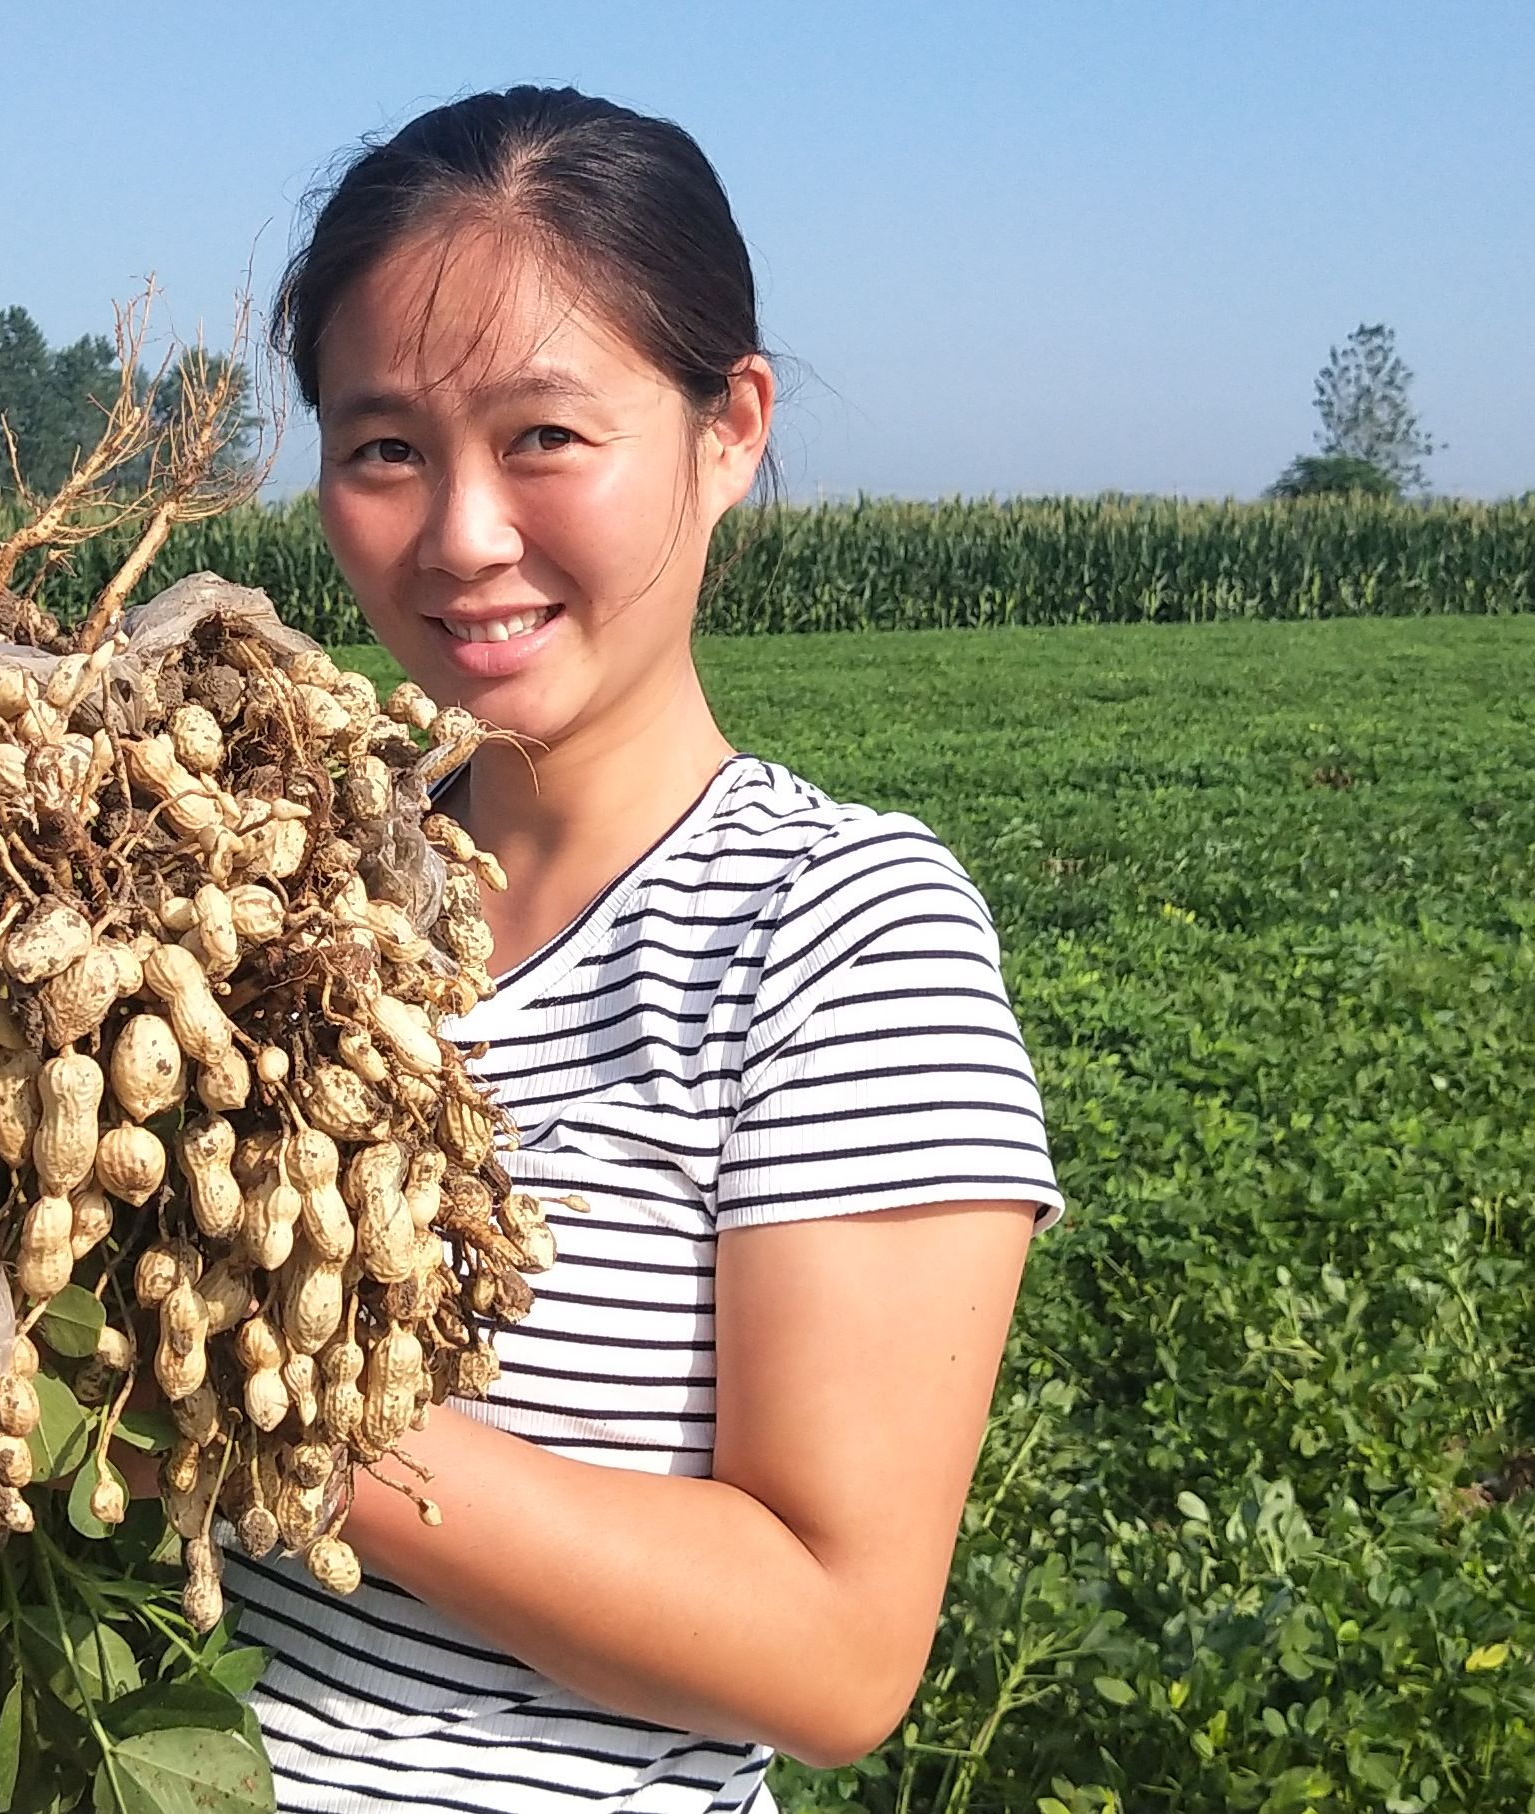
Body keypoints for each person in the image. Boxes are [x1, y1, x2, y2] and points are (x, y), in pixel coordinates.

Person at [222, 87, 1066, 1812]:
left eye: (544, 437)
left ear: (728, 425)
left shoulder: (834, 933)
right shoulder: (258, 881)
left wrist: (251, 1397)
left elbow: (835, 1647)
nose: (463, 535)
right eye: (386, 449)